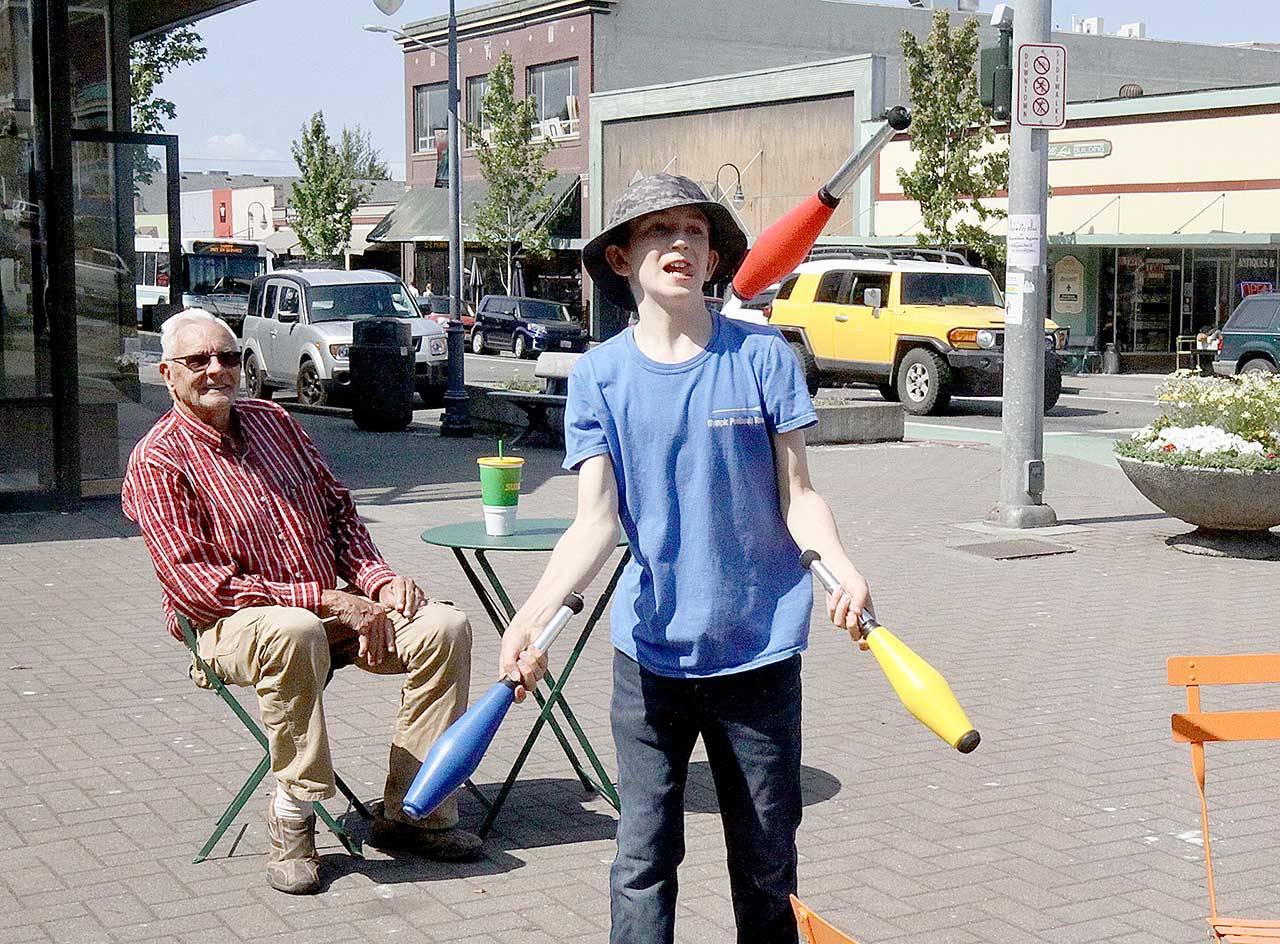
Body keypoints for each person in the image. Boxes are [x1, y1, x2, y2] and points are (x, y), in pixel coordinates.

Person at [497, 175, 873, 943]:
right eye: (658, 230)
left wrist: (839, 564)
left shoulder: (762, 356)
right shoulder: (599, 376)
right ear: (622, 256)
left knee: (767, 864)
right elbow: (595, 524)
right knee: (642, 857)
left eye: (694, 231)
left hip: (758, 654)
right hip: (651, 659)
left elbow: (800, 495)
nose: (679, 243)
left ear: (712, 256)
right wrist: (532, 617)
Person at [121, 308, 481, 896]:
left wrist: (377, 581)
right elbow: (196, 585)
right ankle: (293, 822)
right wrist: (324, 600)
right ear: (167, 374)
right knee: (295, 630)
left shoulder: (275, 420)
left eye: (229, 357)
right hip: (229, 627)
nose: (217, 370)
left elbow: (340, 512)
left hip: (335, 609)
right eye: (198, 361)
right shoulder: (158, 459)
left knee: (445, 625)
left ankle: (415, 811)